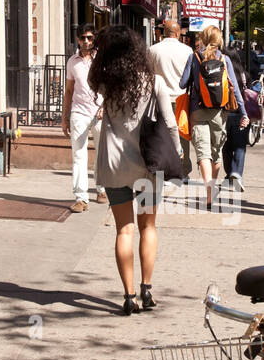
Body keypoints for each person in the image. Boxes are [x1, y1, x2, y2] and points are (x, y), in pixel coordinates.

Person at [89, 25, 179, 315]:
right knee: (148, 227)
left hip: (115, 165)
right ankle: (147, 289)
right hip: (147, 165)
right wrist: (176, 155)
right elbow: (171, 124)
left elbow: (94, 73)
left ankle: (128, 296)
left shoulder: (106, 85)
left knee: (124, 230)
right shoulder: (155, 83)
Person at [180, 24, 248, 210]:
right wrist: (243, 113)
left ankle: (209, 193)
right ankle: (212, 189)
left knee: (203, 153)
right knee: (216, 153)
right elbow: (234, 88)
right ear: (219, 40)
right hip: (220, 112)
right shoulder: (224, 59)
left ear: (202, 38)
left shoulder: (194, 57)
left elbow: (182, 84)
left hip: (197, 110)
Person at [62, 24, 105, 212]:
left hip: (100, 112)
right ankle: (81, 197)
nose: (86, 41)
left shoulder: (102, 60)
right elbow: (69, 91)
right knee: (78, 154)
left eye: (89, 38)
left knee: (102, 152)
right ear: (78, 39)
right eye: (82, 38)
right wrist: (64, 117)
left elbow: (110, 85)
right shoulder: (72, 61)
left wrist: (105, 106)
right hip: (79, 111)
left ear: (94, 39)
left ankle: (102, 188)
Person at [148, 17, 192, 180]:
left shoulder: (153, 50)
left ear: (164, 33)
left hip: (160, 98)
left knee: (160, 135)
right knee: (182, 135)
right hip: (181, 99)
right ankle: (183, 170)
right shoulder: (187, 51)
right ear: (178, 33)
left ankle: (163, 170)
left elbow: (149, 74)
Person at [222, 47, 251, 193]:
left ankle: (229, 174)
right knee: (240, 146)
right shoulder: (244, 75)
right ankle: (236, 174)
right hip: (240, 113)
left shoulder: (221, 72)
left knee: (226, 146)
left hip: (224, 113)